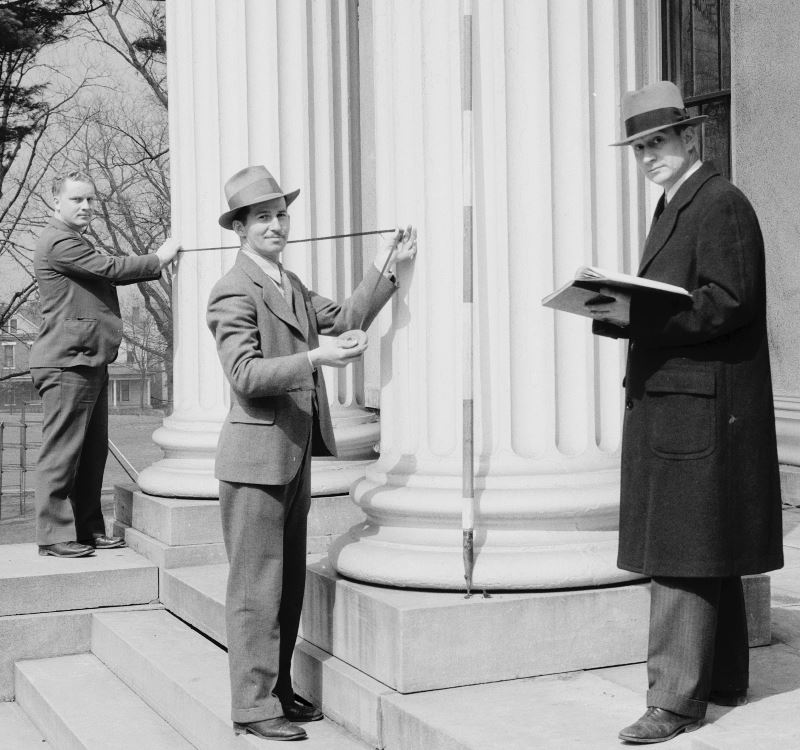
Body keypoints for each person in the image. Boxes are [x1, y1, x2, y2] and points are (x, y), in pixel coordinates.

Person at [588, 81, 783, 744]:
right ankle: (721, 677)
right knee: (705, 544)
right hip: (685, 405)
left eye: (658, 142)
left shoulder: (719, 202)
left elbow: (728, 301)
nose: (647, 156)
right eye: (638, 147)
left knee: (683, 549)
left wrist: (638, 313)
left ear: (688, 137)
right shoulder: (681, 203)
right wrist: (620, 315)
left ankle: (673, 698)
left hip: (699, 409)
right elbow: (690, 303)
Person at [206, 164, 417, 742]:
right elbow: (245, 375)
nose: (275, 225)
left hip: (291, 455)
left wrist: (386, 266)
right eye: (262, 217)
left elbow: (346, 318)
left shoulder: (289, 284)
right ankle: (251, 708)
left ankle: (276, 688)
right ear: (240, 229)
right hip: (253, 464)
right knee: (255, 588)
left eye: (280, 214)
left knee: (288, 582)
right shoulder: (232, 289)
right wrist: (318, 360)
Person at [31, 171, 180, 558]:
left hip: (85, 358)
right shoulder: (59, 240)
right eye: (77, 199)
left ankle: (86, 529)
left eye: (91, 200)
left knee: (91, 452)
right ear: (55, 201)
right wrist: (160, 257)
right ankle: (54, 535)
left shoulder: (74, 240)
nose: (86, 207)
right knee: (63, 451)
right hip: (66, 362)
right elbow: (111, 269)